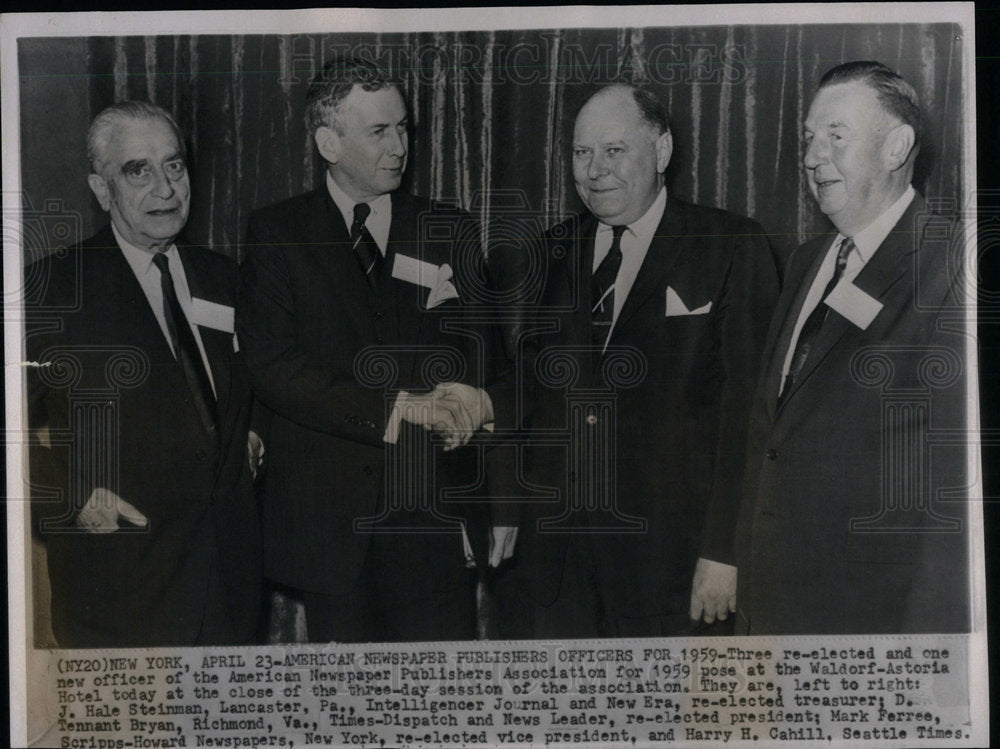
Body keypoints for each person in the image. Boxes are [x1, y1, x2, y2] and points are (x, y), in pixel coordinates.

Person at [491, 83, 778, 638]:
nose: (594, 170)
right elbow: (527, 387)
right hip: (558, 566)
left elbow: (749, 416)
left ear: (662, 152)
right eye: (581, 153)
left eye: (614, 151)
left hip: (676, 569)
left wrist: (726, 552)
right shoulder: (552, 251)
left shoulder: (730, 246)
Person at [237, 57, 505, 642]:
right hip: (330, 529)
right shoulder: (278, 233)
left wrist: (492, 488)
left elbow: (489, 360)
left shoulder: (448, 228)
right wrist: (395, 407)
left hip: (434, 520)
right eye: (379, 131)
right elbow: (272, 365)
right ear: (329, 142)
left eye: (403, 127)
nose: (400, 146)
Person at [734, 61, 970, 634]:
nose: (813, 158)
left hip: (872, 619)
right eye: (809, 139)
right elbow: (772, 438)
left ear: (897, 147)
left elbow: (955, 494)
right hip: (769, 608)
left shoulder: (953, 266)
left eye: (836, 136)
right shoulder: (805, 263)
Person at [26, 101, 262, 647]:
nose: (166, 188)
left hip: (229, 590)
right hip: (119, 594)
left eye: (174, 166)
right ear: (102, 189)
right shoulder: (56, 289)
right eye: (139, 170)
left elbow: (262, 382)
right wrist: (71, 499)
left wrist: (255, 434)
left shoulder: (224, 278)